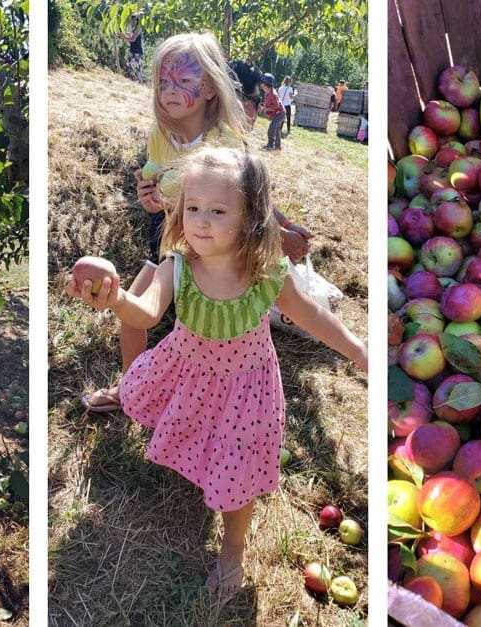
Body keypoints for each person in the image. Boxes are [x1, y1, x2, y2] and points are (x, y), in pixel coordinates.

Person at [66, 146, 368, 597]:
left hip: (248, 386)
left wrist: (359, 351)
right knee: (200, 436)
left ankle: (233, 547)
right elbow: (147, 313)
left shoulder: (267, 275)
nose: (201, 220)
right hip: (190, 373)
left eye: (218, 210)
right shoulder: (179, 267)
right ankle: (204, 477)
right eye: (193, 208)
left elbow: (313, 317)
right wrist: (116, 301)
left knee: (238, 465)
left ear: (251, 217)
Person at [81, 34, 312, 412]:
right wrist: (150, 199)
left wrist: (281, 229)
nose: (169, 91)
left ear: (206, 87)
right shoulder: (160, 136)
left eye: (181, 80)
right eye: (162, 82)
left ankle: (208, 405)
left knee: (204, 330)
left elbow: (251, 193)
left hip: (214, 246)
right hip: (171, 235)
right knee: (135, 309)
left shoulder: (224, 140)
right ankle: (130, 390)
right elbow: (159, 194)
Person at [259, 74, 285, 151]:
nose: (261, 84)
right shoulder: (266, 93)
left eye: (262, 83)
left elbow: (276, 106)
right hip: (277, 114)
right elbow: (267, 103)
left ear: (267, 84)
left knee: (272, 128)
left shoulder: (273, 94)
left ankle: (270, 145)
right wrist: (263, 107)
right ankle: (278, 146)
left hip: (280, 113)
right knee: (276, 130)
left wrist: (266, 109)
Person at [120, 16, 143, 82]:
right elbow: (130, 37)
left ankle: (140, 81)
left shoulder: (138, 29)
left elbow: (132, 39)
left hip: (137, 50)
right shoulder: (134, 29)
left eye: (135, 20)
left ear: (137, 21)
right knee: (128, 63)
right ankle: (134, 77)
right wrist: (123, 34)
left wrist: (123, 36)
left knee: (138, 66)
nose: (133, 22)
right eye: (133, 20)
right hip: (132, 49)